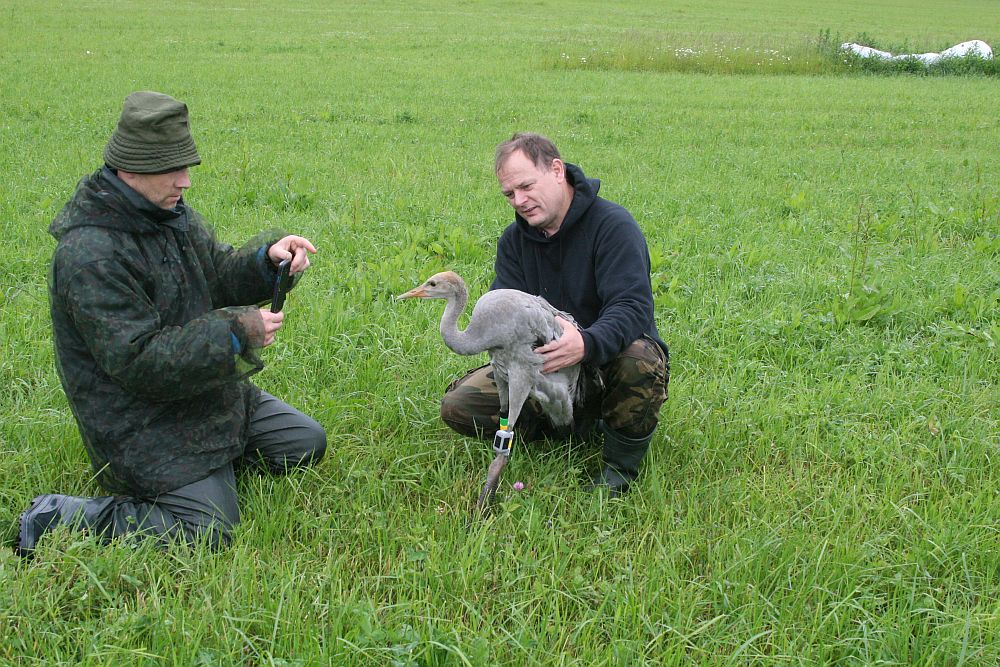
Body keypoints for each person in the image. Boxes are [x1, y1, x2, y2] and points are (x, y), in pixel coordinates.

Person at [15, 91, 327, 556]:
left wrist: (267, 261)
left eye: (186, 166)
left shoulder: (165, 213)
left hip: (202, 390)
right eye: (172, 169)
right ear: (133, 168)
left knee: (305, 443)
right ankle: (56, 516)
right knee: (207, 530)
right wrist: (235, 334)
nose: (185, 181)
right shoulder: (90, 256)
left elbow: (218, 273)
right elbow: (140, 361)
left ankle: (208, 470)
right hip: (139, 417)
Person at [440, 132, 669, 496]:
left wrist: (585, 343)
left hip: (602, 359)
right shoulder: (513, 242)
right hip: (542, 366)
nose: (520, 201)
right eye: (510, 194)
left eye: (526, 186)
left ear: (557, 170)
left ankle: (619, 468)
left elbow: (632, 307)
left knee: (639, 361)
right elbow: (503, 318)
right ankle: (564, 427)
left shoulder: (613, 227)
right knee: (459, 404)